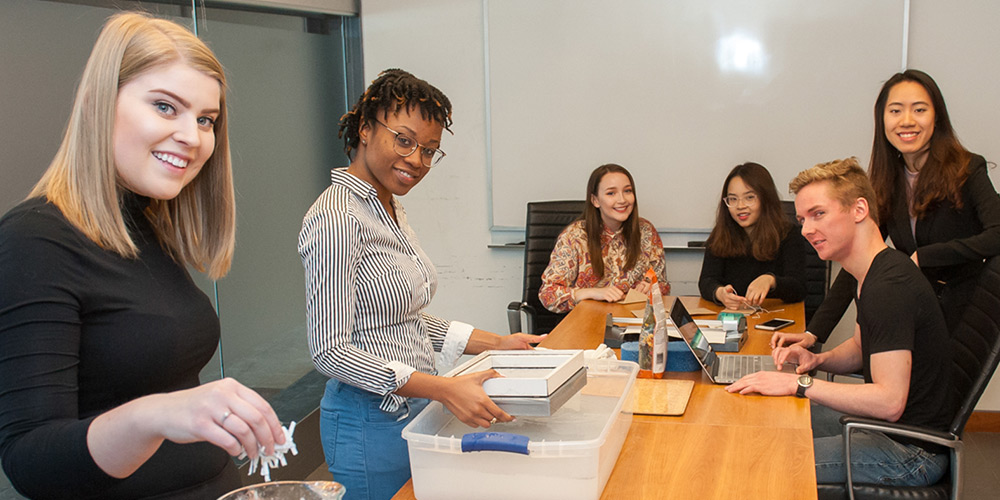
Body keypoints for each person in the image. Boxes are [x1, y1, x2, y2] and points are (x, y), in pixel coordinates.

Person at [0, 12, 286, 500]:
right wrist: (159, 414)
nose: (193, 138)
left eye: (205, 120)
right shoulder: (35, 241)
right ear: (98, 104)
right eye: (165, 107)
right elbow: (31, 461)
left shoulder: (148, 224)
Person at [298, 69, 542, 500]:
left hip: (410, 410)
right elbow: (329, 351)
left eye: (430, 151)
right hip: (367, 421)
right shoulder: (338, 217)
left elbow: (397, 319)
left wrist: (497, 343)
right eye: (405, 140)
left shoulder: (387, 207)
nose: (417, 160)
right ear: (365, 129)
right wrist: (443, 389)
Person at [728, 158, 955, 487]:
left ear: (859, 209)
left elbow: (890, 402)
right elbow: (861, 348)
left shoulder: (888, 287)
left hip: (909, 451)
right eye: (803, 219)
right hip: (888, 430)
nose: (806, 230)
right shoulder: (870, 272)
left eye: (818, 214)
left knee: (762, 462)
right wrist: (818, 359)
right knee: (764, 423)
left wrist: (799, 384)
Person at [773, 69, 1000, 349]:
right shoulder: (888, 180)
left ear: (936, 116)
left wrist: (926, 256)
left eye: (919, 110)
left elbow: (996, 234)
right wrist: (814, 333)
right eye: (895, 111)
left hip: (965, 310)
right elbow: (856, 257)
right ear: (882, 120)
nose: (907, 121)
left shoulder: (968, 168)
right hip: (914, 308)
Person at [538, 164, 669, 313]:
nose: (622, 200)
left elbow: (662, 284)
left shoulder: (646, 231)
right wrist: (591, 293)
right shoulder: (574, 237)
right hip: (586, 321)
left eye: (627, 191)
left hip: (632, 321)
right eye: (611, 193)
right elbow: (548, 294)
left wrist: (650, 286)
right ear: (595, 200)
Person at [698, 162, 806, 309]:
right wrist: (720, 293)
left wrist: (771, 280)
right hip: (733, 317)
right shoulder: (721, 233)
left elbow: (799, 288)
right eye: (733, 199)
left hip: (775, 315)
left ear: (765, 199)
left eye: (749, 197)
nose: (740, 206)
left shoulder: (788, 234)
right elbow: (706, 280)